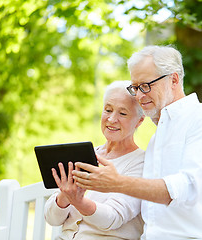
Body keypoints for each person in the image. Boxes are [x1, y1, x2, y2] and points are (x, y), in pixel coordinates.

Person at [72, 45, 202, 240]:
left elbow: (188, 187)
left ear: (174, 79)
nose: (139, 96)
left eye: (145, 86)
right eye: (135, 88)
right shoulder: (157, 138)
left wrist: (117, 183)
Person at [44, 80, 146, 240]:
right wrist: (65, 195)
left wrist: (78, 201)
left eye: (123, 113)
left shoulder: (141, 162)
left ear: (140, 121)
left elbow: (112, 218)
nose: (112, 119)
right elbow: (52, 219)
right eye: (108, 110)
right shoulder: (85, 153)